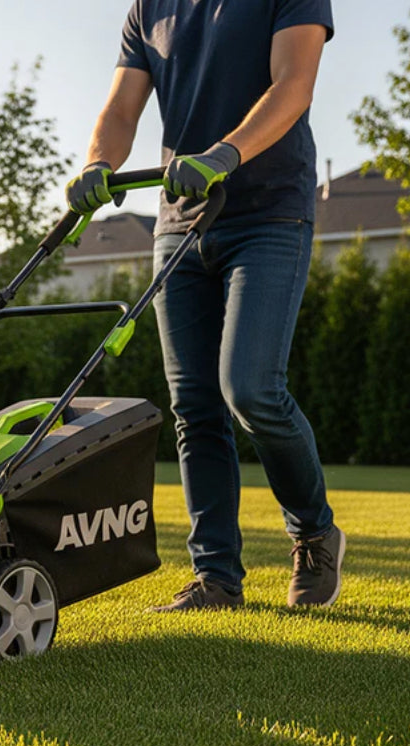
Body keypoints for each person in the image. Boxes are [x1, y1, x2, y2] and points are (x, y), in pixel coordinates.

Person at [65, 0, 344, 611]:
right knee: (195, 406)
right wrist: (98, 161)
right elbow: (121, 109)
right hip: (180, 224)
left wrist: (225, 153)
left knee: (251, 389)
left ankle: (314, 533)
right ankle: (216, 577)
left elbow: (293, 86)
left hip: (269, 213)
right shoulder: (150, 8)